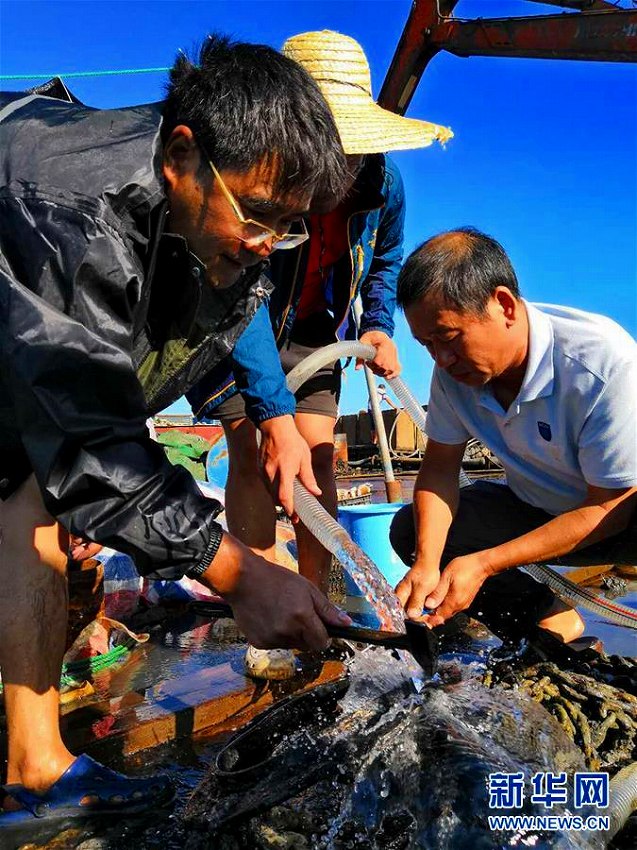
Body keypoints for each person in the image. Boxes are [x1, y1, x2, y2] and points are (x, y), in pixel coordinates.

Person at [0, 34, 352, 824]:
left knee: (30, 493)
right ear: (182, 157)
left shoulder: (222, 216)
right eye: (260, 216)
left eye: (288, 226)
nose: (268, 242)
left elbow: (234, 306)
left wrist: (275, 416)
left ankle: (34, 766)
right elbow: (92, 434)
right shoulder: (66, 206)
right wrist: (238, 573)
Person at [188, 30, 452, 680]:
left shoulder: (382, 184)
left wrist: (380, 325)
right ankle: (265, 608)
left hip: (315, 329)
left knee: (319, 458)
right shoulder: (262, 174)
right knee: (253, 449)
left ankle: (317, 603)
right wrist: (270, 413)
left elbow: (384, 260)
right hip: (243, 315)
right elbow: (238, 289)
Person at [389, 228, 637, 643]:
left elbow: (609, 506)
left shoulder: (600, 361)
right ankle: (546, 620)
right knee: (411, 531)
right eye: (427, 345)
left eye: (448, 338)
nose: (442, 359)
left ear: (503, 304)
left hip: (621, 517)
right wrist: (427, 563)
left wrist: (486, 563)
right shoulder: (452, 375)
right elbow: (437, 472)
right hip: (539, 509)